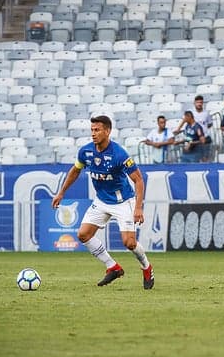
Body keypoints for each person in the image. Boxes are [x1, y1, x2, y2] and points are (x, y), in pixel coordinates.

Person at [51, 115, 154, 290]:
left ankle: (146, 267)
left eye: (97, 130)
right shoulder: (85, 152)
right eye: (92, 130)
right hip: (101, 201)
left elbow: (138, 180)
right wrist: (61, 193)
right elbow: (75, 171)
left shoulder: (119, 154)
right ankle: (112, 267)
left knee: (129, 243)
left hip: (123, 201)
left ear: (107, 131)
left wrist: (138, 208)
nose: (93, 134)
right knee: (83, 234)